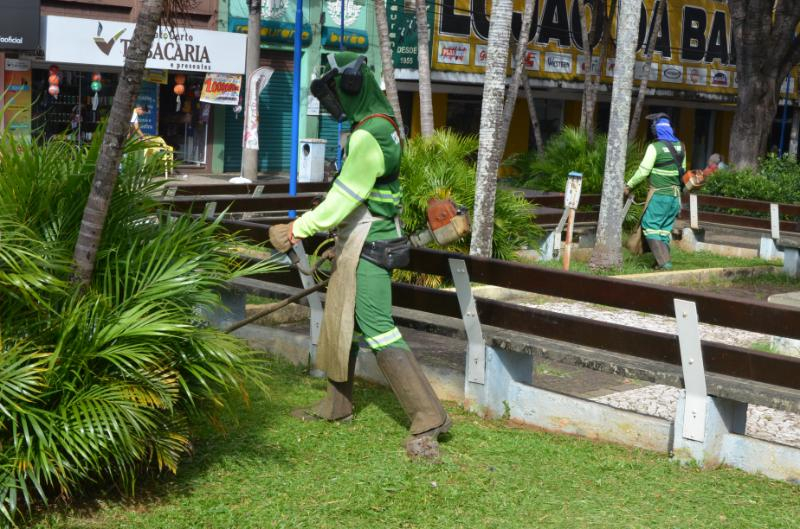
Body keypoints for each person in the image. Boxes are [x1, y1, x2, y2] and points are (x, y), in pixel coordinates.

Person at [268, 52, 451, 458]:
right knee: (340, 319)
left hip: (371, 245)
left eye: (336, 92)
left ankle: (428, 415)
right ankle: (336, 404)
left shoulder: (370, 136)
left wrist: (296, 229)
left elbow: (342, 199)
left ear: (352, 86)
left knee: (376, 326)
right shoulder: (380, 126)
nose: (335, 102)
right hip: (361, 240)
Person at [625, 113, 686, 270]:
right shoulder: (681, 146)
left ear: (656, 130)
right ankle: (659, 262)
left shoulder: (655, 147)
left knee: (650, 226)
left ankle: (665, 263)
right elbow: (683, 171)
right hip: (675, 197)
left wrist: (628, 185)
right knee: (664, 230)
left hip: (660, 196)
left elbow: (643, 172)